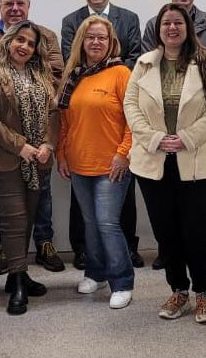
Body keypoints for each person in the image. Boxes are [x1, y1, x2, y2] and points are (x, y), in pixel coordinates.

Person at [124, 3, 206, 323]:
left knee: (197, 232)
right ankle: (179, 289)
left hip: (197, 160)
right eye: (166, 23)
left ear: (188, 28)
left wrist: (187, 137)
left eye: (177, 22)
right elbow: (130, 106)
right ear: (158, 29)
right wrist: (155, 138)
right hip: (154, 161)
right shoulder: (144, 63)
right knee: (166, 232)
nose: (172, 28)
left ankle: (203, 293)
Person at [0, 0, 65, 275]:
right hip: (5, 148)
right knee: (13, 214)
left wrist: (47, 144)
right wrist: (20, 144)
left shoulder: (46, 37)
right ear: (0, 7)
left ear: (28, 6)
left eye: (20, 3)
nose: (14, 8)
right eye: (8, 3)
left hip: (39, 150)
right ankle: (13, 262)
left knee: (38, 204)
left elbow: (55, 82)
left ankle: (42, 244)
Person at [141, 0, 206, 270]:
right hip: (163, 125)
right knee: (166, 196)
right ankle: (169, 249)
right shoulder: (153, 24)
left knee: (205, 196)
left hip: (200, 121)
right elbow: (146, 68)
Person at [60, 0, 144, 269]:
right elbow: (71, 57)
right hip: (83, 132)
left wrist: (111, 75)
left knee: (121, 200)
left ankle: (127, 250)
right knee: (86, 209)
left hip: (116, 112)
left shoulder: (128, 18)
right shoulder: (71, 21)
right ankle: (85, 253)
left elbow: (135, 57)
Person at [57, 16, 135, 309]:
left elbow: (134, 119)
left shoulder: (120, 73)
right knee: (90, 224)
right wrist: (61, 154)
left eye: (102, 37)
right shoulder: (73, 75)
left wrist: (123, 153)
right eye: (90, 37)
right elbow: (64, 122)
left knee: (107, 223)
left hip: (111, 164)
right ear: (82, 41)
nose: (96, 42)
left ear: (111, 42)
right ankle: (96, 272)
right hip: (79, 163)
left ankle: (122, 282)